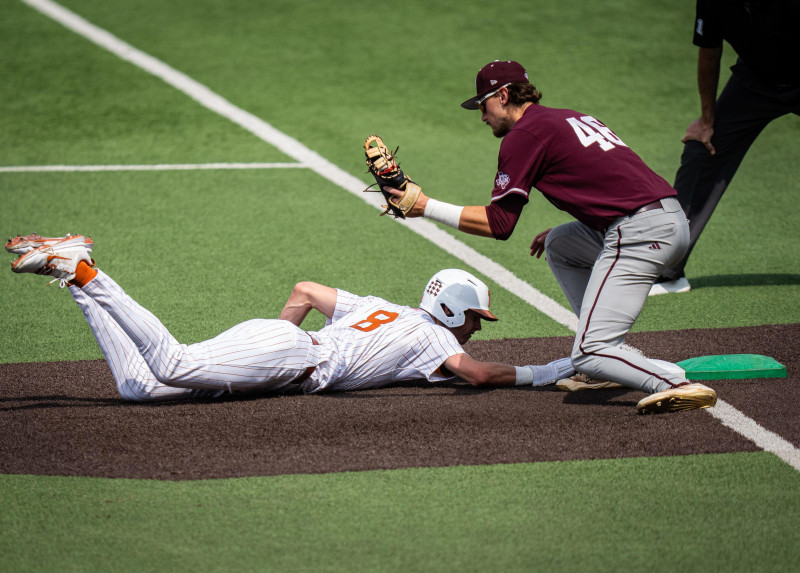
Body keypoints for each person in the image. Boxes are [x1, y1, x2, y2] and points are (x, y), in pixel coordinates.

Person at [383, 60, 717, 414]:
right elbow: (613, 181)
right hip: (665, 218)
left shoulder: (523, 136)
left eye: (482, 105)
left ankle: (673, 383)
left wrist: (425, 206)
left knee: (588, 353)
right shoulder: (567, 117)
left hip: (640, 232)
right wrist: (582, 227)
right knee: (560, 245)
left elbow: (500, 224)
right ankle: (609, 357)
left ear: (504, 95)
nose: (481, 116)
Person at [7, 232, 575, 402]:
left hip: (283, 344)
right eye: (475, 318)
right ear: (452, 310)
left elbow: (303, 290)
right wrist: (543, 372)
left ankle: (75, 273)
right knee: (173, 362)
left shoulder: (387, 308)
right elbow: (475, 374)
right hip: (290, 355)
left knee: (139, 388)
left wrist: (280, 342)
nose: (477, 326)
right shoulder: (432, 339)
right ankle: (85, 273)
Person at [651, 0, 800, 295]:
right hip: (754, 83)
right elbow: (709, 52)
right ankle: (670, 270)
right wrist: (707, 120)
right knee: (701, 150)